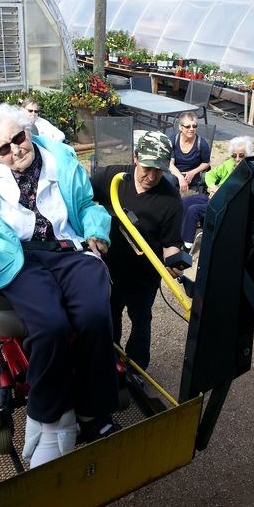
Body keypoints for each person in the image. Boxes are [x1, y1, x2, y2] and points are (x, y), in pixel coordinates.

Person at [0, 103, 119, 468]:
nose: (15, 149)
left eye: (18, 138)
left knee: (96, 315)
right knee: (50, 325)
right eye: (3, 147)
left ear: (27, 131)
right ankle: (51, 418)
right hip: (16, 256)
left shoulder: (61, 159)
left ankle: (92, 409)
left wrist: (97, 231)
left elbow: (86, 205)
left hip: (67, 248)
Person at [91, 131, 184, 373]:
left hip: (143, 276)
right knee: (109, 316)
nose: (152, 176)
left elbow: (171, 241)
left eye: (159, 170)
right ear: (135, 157)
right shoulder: (111, 177)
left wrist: (173, 261)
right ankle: (110, 361)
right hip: (108, 268)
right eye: (147, 167)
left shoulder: (171, 200)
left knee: (141, 320)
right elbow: (81, 199)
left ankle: (138, 369)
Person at [181, 135, 253, 252]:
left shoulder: (248, 171)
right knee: (185, 201)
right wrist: (212, 186)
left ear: (247, 155)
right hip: (214, 197)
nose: (238, 159)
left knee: (193, 210)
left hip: (226, 205)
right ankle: (181, 237)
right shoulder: (229, 163)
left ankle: (187, 246)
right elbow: (210, 174)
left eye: (242, 155)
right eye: (234, 155)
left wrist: (220, 194)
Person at [167, 111, 211, 195]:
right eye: (187, 126)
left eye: (194, 126)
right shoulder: (173, 140)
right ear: (180, 127)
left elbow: (206, 163)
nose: (191, 129)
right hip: (175, 174)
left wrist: (193, 172)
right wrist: (180, 177)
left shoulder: (202, 144)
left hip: (192, 177)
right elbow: (170, 164)